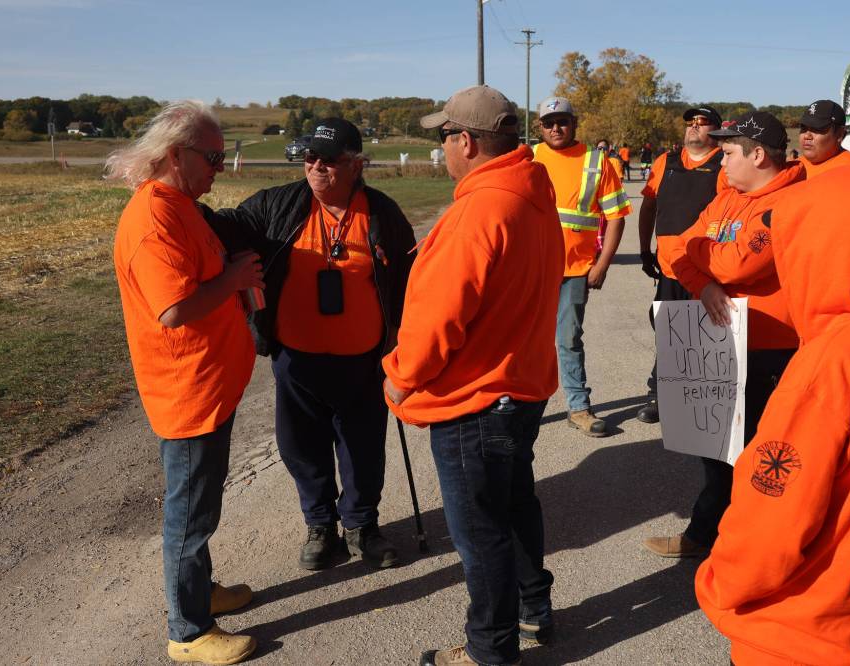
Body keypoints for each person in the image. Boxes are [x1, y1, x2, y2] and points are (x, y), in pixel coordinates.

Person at [696, 163, 850, 665]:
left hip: (792, 631)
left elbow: (772, 520)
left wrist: (719, 579)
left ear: (821, 247)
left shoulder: (826, 366)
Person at [381, 84, 563, 666]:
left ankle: (491, 650)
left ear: (466, 141)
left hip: (476, 399)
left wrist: (400, 377)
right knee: (515, 509)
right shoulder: (531, 195)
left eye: (444, 138)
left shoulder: (480, 209)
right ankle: (534, 610)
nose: (442, 151)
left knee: (480, 534)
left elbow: (438, 317)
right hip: (521, 386)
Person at [203, 118, 417, 571]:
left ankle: (361, 526)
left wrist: (404, 345)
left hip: (363, 362)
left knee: (362, 448)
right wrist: (175, 204)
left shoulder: (383, 215)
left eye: (330, 161)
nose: (317, 168)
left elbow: (409, 281)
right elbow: (223, 228)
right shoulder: (275, 205)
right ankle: (320, 527)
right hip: (296, 360)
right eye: (310, 159)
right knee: (302, 447)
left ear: (357, 165)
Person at [108, 100, 259, 664]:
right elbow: (173, 309)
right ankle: (189, 631)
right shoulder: (154, 218)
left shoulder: (180, 205)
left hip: (208, 385)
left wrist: (231, 276)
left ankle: (201, 594)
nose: (220, 168)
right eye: (214, 157)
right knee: (189, 516)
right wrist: (236, 278)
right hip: (186, 392)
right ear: (175, 155)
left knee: (201, 507)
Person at [648, 112, 803, 558]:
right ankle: (711, 534)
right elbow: (671, 249)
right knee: (714, 445)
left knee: (754, 450)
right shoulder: (730, 196)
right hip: (721, 335)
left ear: (757, 155)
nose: (721, 160)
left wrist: (704, 258)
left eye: (729, 152)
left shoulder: (788, 201)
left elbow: (738, 263)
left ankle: (744, 544)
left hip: (768, 345)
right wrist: (707, 283)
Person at [532, 96, 632, 437]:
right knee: (525, 340)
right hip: (531, 268)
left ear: (574, 124)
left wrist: (602, 264)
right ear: (539, 127)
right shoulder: (528, 158)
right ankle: (520, 407)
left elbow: (616, 218)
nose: (556, 128)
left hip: (575, 269)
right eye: (549, 123)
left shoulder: (596, 161)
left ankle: (578, 408)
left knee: (568, 339)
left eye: (562, 121)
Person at [634, 105, 728, 424]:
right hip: (670, 267)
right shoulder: (666, 162)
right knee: (669, 332)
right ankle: (661, 394)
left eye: (701, 123)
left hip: (709, 268)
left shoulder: (725, 166)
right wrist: (645, 250)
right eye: (689, 122)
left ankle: (701, 398)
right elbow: (648, 208)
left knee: (705, 336)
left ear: (715, 130)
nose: (693, 127)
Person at [797, 99, 850, 177]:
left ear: (840, 134)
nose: (807, 136)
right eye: (803, 128)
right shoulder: (794, 167)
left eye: (817, 129)